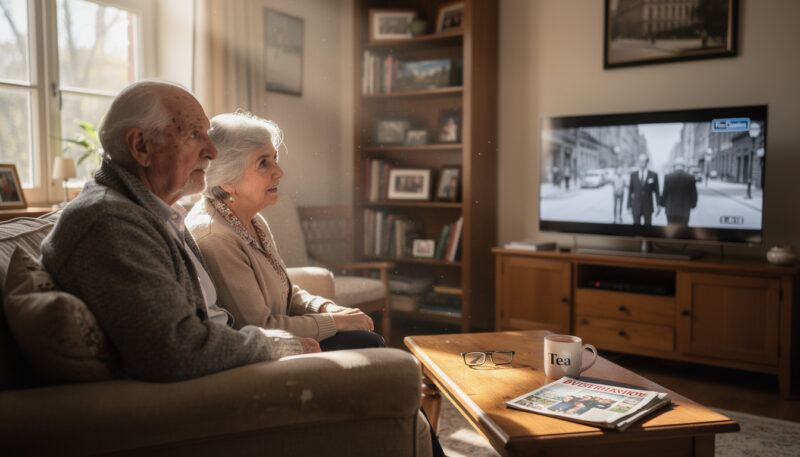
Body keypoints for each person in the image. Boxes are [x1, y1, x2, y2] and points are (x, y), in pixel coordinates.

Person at [40, 80, 321, 383]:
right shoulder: (111, 224)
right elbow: (176, 350)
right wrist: (279, 344)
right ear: (141, 146)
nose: (212, 152)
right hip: (203, 387)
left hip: (228, 361)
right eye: (194, 135)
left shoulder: (155, 212)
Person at [185, 112, 384, 351]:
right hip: (268, 349)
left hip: (288, 335)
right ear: (228, 180)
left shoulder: (253, 220)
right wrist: (335, 322)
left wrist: (325, 308)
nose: (279, 172)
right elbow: (260, 327)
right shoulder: (216, 238)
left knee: (365, 337)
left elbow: (284, 290)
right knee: (368, 342)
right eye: (263, 163)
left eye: (274, 158)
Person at [660, 157, 698, 226]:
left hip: (670, 209)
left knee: (671, 230)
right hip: (684, 210)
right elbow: (694, 194)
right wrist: (693, 205)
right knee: (683, 231)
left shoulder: (668, 177)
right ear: (684, 166)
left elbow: (664, 193)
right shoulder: (690, 177)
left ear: (675, 166)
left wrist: (662, 204)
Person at [627, 153, 660, 226]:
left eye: (643, 161)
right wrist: (629, 206)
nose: (641, 163)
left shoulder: (653, 175)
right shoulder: (633, 175)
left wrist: (658, 205)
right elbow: (630, 191)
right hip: (635, 206)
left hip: (648, 207)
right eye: (640, 161)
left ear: (647, 163)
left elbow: (657, 191)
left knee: (647, 229)